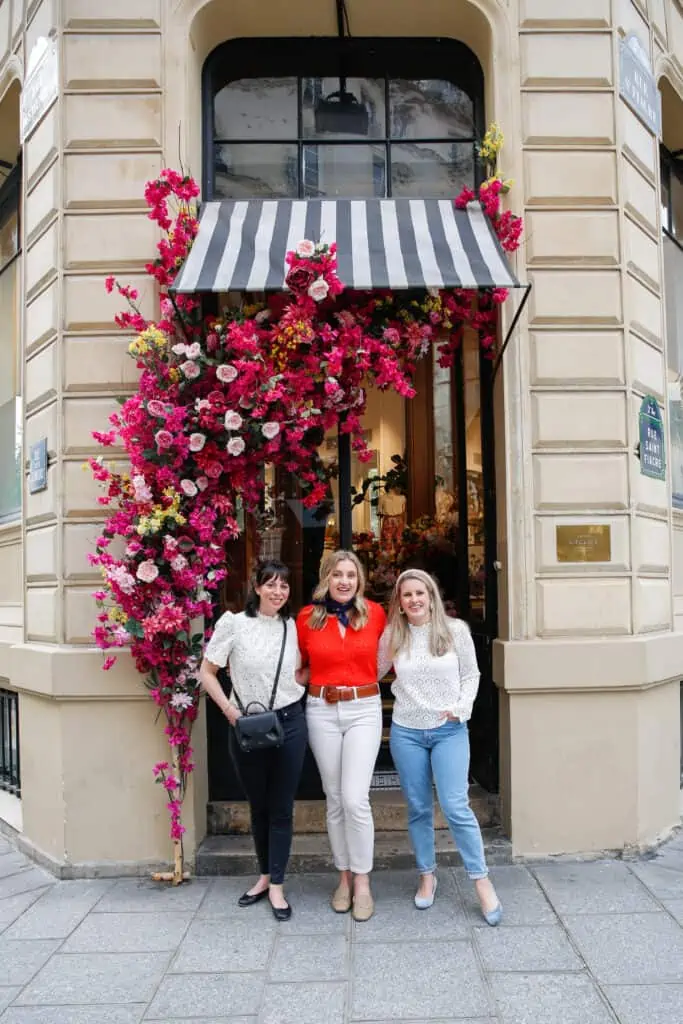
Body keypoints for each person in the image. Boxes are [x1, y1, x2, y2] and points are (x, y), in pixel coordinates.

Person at [379, 568, 502, 925]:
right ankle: (427, 875)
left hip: (449, 729)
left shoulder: (455, 631)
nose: (414, 600)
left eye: (421, 593)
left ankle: (481, 881)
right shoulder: (393, 635)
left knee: (455, 805)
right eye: (407, 595)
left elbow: (471, 675)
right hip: (407, 732)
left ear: (431, 596)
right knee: (418, 806)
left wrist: (461, 708)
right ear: (399, 603)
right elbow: (369, 672)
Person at [199, 560, 306, 921]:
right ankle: (264, 876)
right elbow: (207, 672)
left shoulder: (293, 627)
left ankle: (277, 884)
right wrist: (231, 712)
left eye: (284, 586)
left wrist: (303, 681)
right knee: (258, 806)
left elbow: (303, 669)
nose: (278, 592)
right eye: (271, 585)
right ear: (257, 587)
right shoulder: (234, 624)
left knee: (281, 806)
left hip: (289, 723)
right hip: (247, 726)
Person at [296, 550, 386, 922]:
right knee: (333, 799)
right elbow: (299, 666)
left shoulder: (376, 614)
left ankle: (363, 881)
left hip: (364, 708)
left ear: (360, 580)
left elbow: (391, 655)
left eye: (351, 574)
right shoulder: (306, 618)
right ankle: (344, 878)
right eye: (337, 574)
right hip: (321, 710)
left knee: (354, 798)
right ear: (326, 579)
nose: (344, 581)